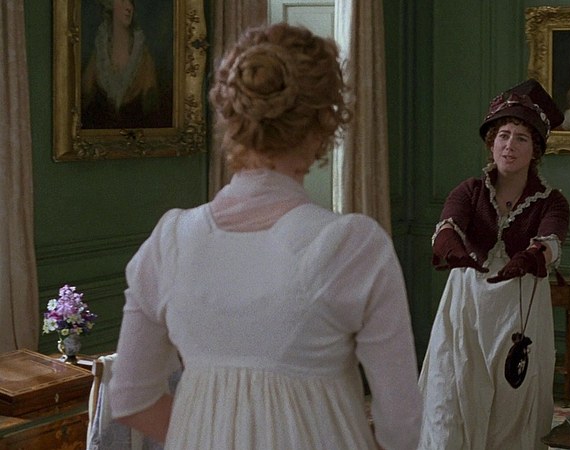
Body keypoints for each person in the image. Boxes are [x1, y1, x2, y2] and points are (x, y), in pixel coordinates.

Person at [108, 22, 422, 449]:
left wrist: (208, 435)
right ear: (323, 124)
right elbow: (401, 425)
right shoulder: (353, 246)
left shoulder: (171, 242)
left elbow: (130, 398)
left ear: (231, 119)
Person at [418, 79, 570, 449]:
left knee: (512, 399)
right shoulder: (470, 190)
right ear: (491, 142)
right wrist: (451, 247)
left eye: (521, 138)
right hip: (468, 302)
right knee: (454, 387)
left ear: (535, 149)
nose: (509, 145)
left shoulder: (551, 201)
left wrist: (532, 257)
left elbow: (552, 239)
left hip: (519, 307)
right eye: (503, 135)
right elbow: (448, 224)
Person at [81, 0, 165, 129]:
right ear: (110, 5)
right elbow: (83, 104)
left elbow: (153, 114)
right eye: (122, 1)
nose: (129, 7)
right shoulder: (98, 57)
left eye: (131, 2)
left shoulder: (144, 59)